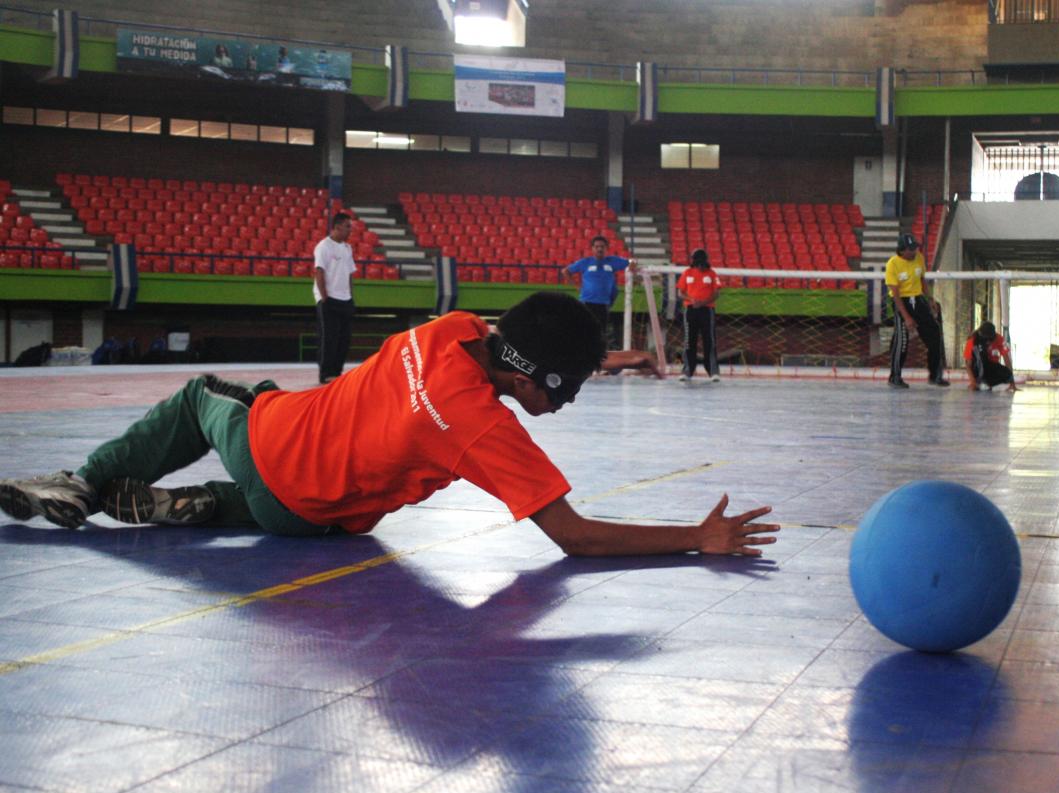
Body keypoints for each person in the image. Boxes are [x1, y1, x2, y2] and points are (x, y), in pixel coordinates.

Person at [0, 293, 777, 558]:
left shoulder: (449, 330)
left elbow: (530, 348)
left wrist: (609, 358)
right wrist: (692, 537)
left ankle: (100, 482)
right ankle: (142, 494)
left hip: (275, 447)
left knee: (215, 398)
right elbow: (573, 536)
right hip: (315, 522)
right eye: (567, 389)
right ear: (533, 378)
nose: (570, 401)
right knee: (204, 391)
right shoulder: (481, 431)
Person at [885, 232, 949, 389]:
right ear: (902, 250)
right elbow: (896, 294)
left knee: (934, 333)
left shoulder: (919, 258)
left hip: (918, 299)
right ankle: (895, 376)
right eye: (910, 249)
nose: (914, 251)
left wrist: (930, 299)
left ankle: (935, 375)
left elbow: (922, 281)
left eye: (915, 248)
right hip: (902, 302)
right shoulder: (893, 264)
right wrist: (906, 317)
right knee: (902, 340)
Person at [561, 236, 635, 348]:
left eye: (602, 247)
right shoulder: (585, 262)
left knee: (601, 333)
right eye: (597, 247)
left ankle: (597, 358)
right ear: (592, 249)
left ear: (607, 248)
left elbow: (631, 261)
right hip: (587, 303)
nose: (599, 249)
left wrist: (632, 265)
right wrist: (576, 286)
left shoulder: (613, 261)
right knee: (584, 330)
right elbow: (565, 271)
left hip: (603, 304)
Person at [314, 213, 356, 384]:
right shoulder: (324, 246)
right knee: (329, 338)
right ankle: (325, 374)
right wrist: (324, 298)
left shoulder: (347, 248)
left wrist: (351, 297)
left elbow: (350, 274)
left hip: (345, 299)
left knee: (344, 339)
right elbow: (319, 272)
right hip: (329, 299)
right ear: (337, 227)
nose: (350, 230)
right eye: (347, 226)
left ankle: (337, 373)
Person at [677, 248, 721, 382]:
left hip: (707, 311)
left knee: (710, 341)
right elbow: (680, 293)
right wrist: (692, 300)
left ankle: (713, 372)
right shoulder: (687, 273)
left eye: (702, 263)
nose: (700, 266)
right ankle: (688, 370)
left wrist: (703, 303)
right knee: (689, 341)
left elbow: (716, 293)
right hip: (690, 310)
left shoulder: (712, 274)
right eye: (698, 263)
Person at [965, 321, 1018, 392]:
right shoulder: (972, 341)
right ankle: (979, 381)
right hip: (978, 368)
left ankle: (987, 383)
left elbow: (1007, 360)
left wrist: (1012, 382)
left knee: (1007, 373)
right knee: (979, 353)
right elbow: (968, 365)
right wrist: (973, 382)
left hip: (991, 367)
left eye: (990, 339)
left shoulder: (999, 338)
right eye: (986, 340)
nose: (988, 342)